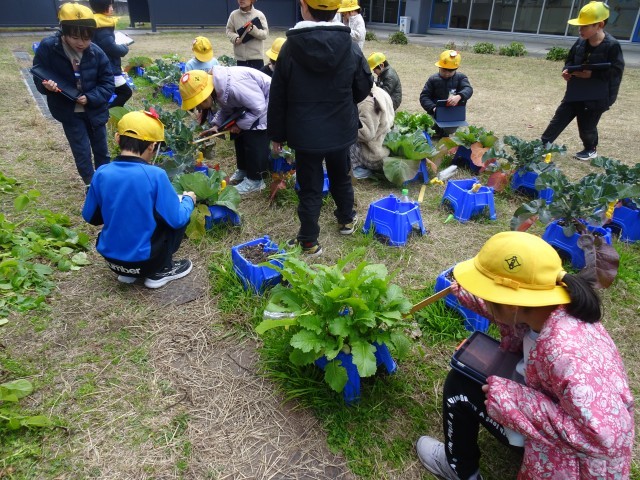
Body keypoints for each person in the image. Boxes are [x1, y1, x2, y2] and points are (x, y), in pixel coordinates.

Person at [416, 231, 634, 480]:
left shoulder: (565, 353)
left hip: (579, 467)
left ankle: (459, 469)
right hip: (564, 426)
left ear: (511, 304)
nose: (486, 301)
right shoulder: (551, 305)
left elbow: (605, 439)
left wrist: (516, 400)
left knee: (460, 385)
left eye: (488, 297)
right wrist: (468, 296)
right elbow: (508, 315)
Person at [268, 0, 372, 256]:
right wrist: (343, 102)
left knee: (310, 185)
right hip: (340, 127)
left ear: (304, 6)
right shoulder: (349, 45)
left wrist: (277, 134)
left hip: (305, 132)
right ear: (336, 9)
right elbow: (363, 85)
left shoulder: (290, 47)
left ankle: (309, 240)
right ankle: (346, 220)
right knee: (340, 175)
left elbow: (278, 94)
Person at [82, 111, 196, 289]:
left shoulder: (102, 172)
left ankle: (127, 274)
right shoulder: (156, 175)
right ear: (152, 146)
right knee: (179, 211)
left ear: (117, 138)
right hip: (147, 261)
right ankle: (161, 271)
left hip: (113, 261)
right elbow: (177, 219)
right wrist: (188, 200)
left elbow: (90, 216)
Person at [33, 2, 114, 187]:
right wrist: (46, 87)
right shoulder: (49, 48)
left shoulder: (97, 53)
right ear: (63, 31)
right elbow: (39, 74)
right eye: (75, 37)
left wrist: (90, 97)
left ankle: (105, 183)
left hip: (95, 110)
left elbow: (108, 83)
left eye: (86, 38)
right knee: (81, 150)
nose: (81, 43)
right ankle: (90, 184)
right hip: (68, 111)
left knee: (101, 149)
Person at [540, 1, 624, 161]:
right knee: (559, 118)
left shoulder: (612, 46)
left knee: (586, 126)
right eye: (579, 26)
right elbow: (570, 60)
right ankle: (542, 145)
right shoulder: (580, 42)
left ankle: (590, 149)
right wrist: (566, 70)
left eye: (585, 26)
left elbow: (616, 72)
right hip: (575, 91)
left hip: (596, 97)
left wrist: (591, 75)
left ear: (599, 25)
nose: (580, 30)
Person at [179, 68, 271, 195]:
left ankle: (255, 180)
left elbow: (259, 107)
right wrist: (217, 125)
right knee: (238, 136)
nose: (199, 108)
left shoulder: (233, 87)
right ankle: (244, 169)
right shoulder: (220, 88)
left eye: (198, 105)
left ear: (205, 97)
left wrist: (239, 124)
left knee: (254, 138)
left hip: (268, 102)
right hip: (254, 104)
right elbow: (227, 108)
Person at [419, 50, 473, 138]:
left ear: (456, 69)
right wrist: (433, 108)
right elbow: (424, 96)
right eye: (444, 70)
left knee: (449, 131)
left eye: (450, 71)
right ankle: (437, 129)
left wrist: (459, 96)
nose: (447, 73)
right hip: (435, 113)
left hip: (453, 113)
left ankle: (444, 132)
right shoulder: (433, 79)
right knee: (429, 128)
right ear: (439, 67)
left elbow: (468, 89)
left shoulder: (461, 78)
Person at [89, 0, 131, 108]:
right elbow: (112, 48)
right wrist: (125, 47)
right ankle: (108, 112)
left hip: (102, 65)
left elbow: (106, 43)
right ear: (103, 7)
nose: (112, 8)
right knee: (125, 92)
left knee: (106, 93)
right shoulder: (102, 27)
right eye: (110, 6)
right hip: (109, 67)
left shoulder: (96, 21)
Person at [350, 85, 395, 180]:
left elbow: (366, 134)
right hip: (385, 148)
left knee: (343, 139)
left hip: (374, 156)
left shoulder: (366, 102)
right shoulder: (380, 91)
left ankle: (360, 169)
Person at [225, 0, 269, 70]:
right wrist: (235, 38)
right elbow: (229, 31)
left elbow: (265, 34)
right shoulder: (233, 15)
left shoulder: (259, 15)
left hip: (256, 60)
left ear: (252, 1)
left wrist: (253, 30)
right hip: (240, 60)